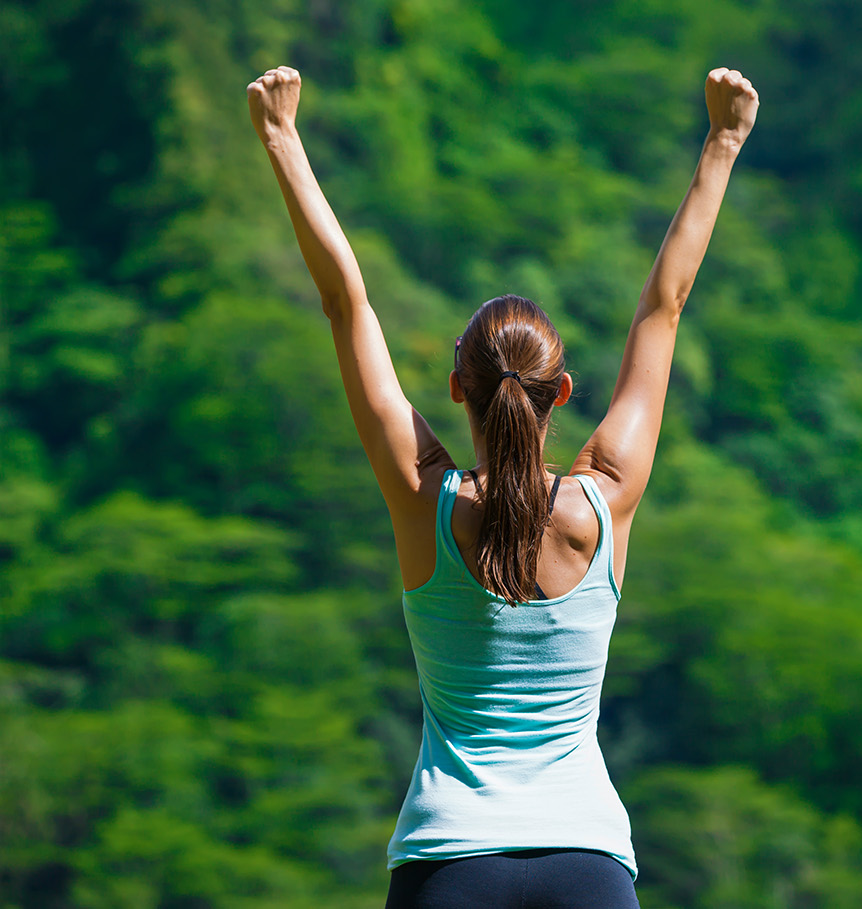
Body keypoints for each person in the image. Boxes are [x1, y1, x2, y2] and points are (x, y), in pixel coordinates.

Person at [247, 61, 759, 908]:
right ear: (561, 392)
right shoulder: (606, 499)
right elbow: (664, 307)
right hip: (588, 865)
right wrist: (723, 143)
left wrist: (282, 139)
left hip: (449, 862)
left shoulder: (425, 497)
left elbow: (348, 304)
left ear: (458, 390)